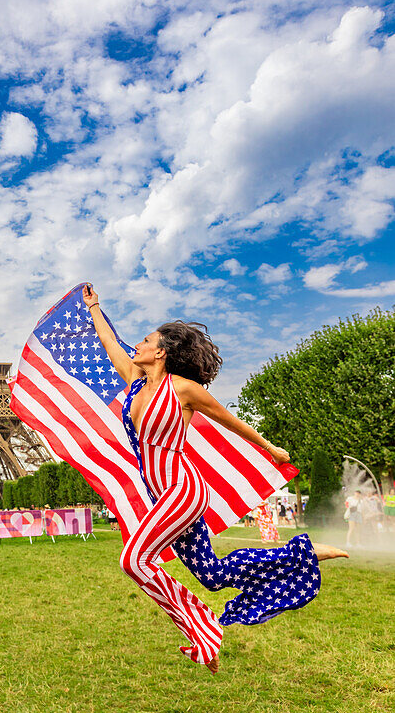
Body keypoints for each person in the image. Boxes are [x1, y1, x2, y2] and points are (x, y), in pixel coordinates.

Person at [82, 283, 347, 674]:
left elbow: (231, 421)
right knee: (213, 575)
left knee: (134, 560)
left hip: (182, 489)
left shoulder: (184, 389)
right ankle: (304, 554)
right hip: (162, 494)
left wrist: (270, 448)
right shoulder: (136, 383)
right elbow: (110, 346)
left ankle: (203, 626)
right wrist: (94, 307)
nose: (137, 345)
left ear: (162, 352)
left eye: (145, 340)